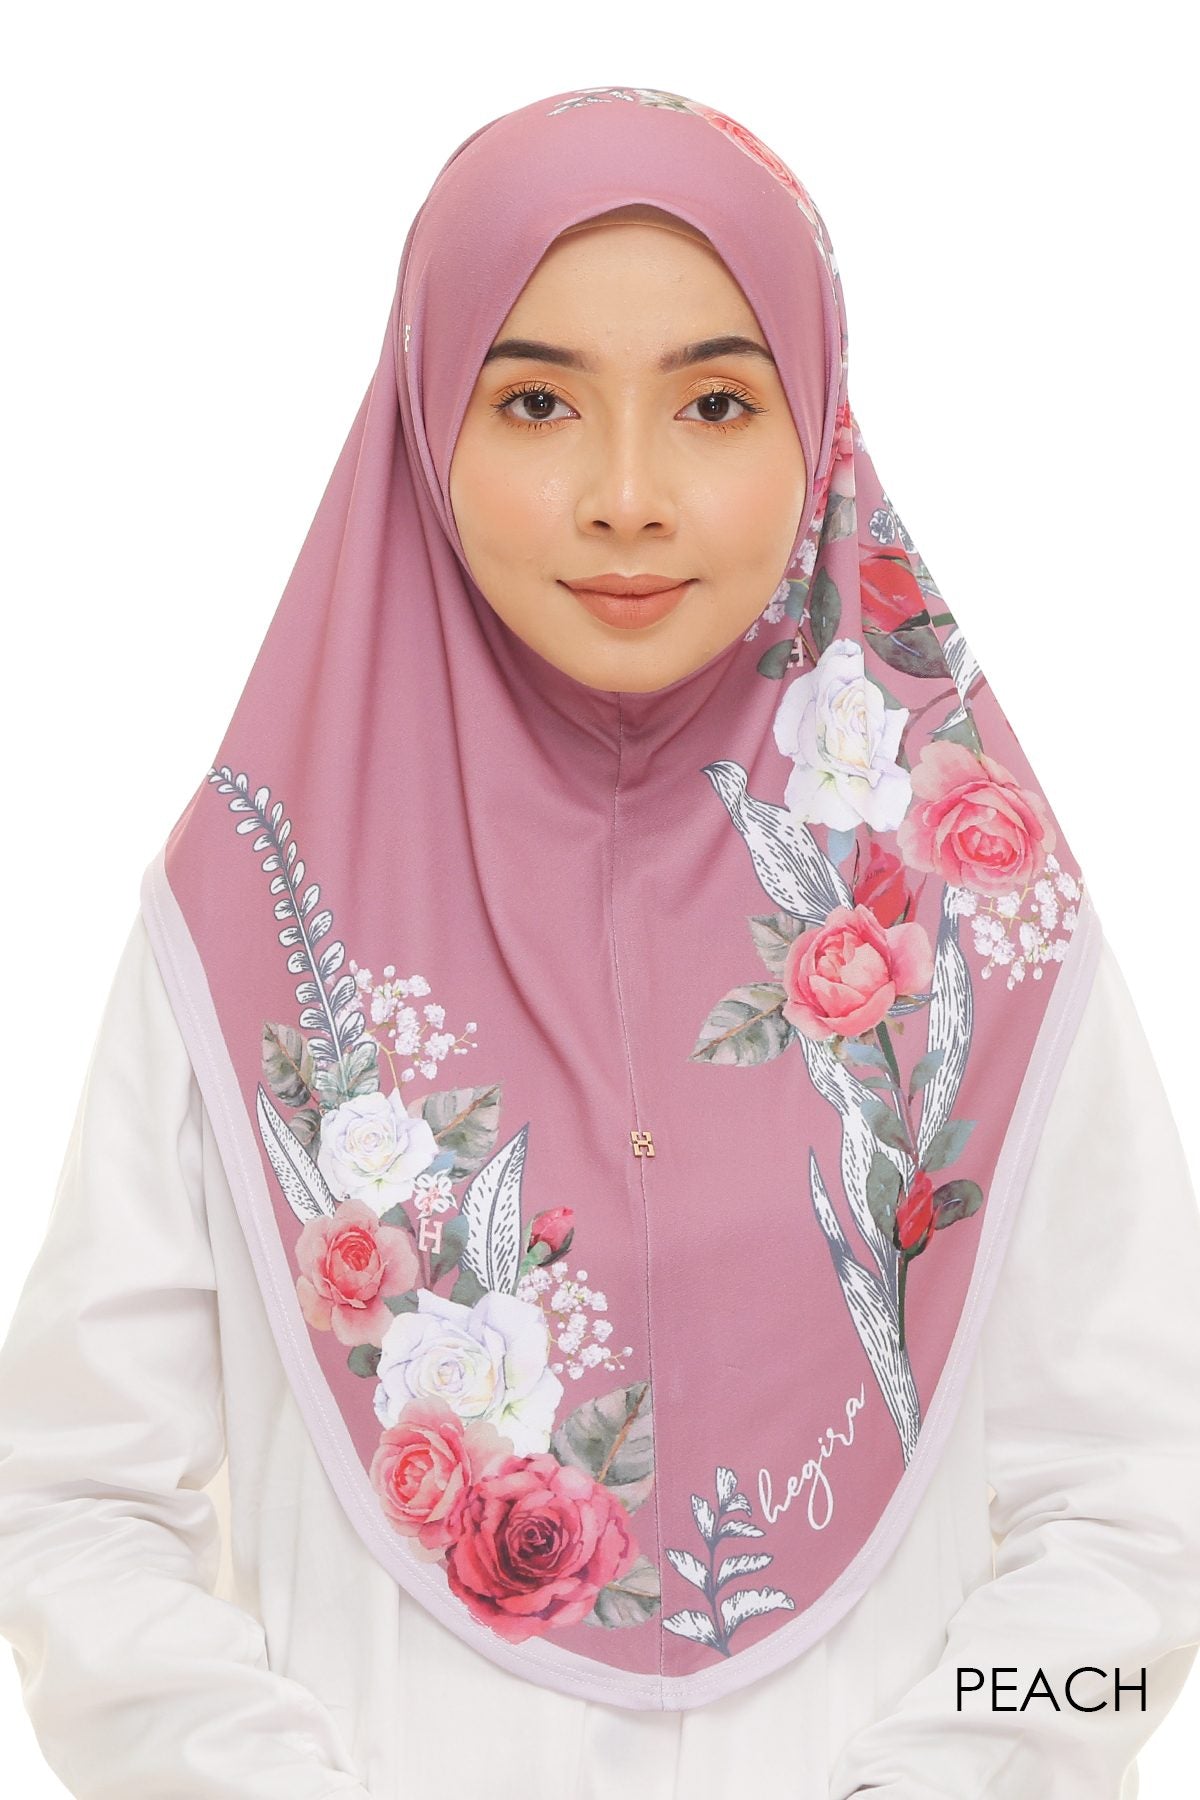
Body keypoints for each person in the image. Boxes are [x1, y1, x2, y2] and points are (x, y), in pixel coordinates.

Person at [1, 82, 1199, 1800]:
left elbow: (1147, 1512)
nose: (628, 496)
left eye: (715, 401)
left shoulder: (976, 919)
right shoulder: (251, 927)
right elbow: (75, 1506)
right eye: (538, 401)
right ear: (425, 424)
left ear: (818, 424)